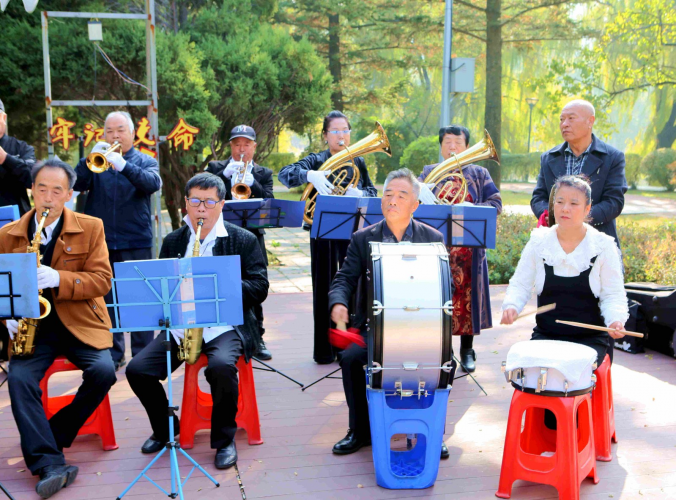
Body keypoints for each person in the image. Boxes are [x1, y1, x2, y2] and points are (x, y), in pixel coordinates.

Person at [125, 172, 269, 470]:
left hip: (225, 325)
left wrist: (220, 283)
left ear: (221, 204)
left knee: (220, 367)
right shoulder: (174, 240)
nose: (201, 208)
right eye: (195, 201)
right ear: (186, 205)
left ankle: (224, 440)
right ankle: (166, 428)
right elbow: (160, 288)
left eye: (208, 202)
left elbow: (260, 286)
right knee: (137, 369)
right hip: (182, 326)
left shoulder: (243, 239)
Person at [2, 159, 116, 499]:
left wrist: (59, 279)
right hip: (32, 328)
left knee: (104, 371)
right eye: (41, 189)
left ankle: (53, 435)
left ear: (68, 194)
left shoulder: (91, 226)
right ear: (31, 191)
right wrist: (5, 313)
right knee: (19, 379)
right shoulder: (8, 235)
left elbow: (102, 280)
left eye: (56, 191)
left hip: (80, 322)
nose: (48, 198)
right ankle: (49, 463)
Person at [327, 168, 451, 459]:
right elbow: (344, 278)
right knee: (351, 358)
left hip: (420, 328)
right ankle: (359, 430)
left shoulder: (431, 238)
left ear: (415, 205)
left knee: (443, 360)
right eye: (388, 194)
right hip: (376, 327)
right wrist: (338, 303)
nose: (392, 200)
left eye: (401, 196)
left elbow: (447, 285)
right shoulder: (363, 238)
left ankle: (433, 430)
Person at [279, 110, 378, 364]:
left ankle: (351, 348)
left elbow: (372, 191)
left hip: (352, 234)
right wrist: (309, 175)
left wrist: (359, 194)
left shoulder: (357, 162)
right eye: (335, 131)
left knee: (354, 287)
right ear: (325, 136)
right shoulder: (316, 160)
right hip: (321, 233)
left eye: (345, 130)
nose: (341, 136)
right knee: (323, 288)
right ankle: (324, 350)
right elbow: (284, 175)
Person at [501, 175, 628, 366]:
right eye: (559, 202)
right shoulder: (539, 241)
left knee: (571, 374)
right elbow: (520, 283)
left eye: (573, 203)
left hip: (589, 340)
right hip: (547, 336)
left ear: (587, 209)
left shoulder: (602, 246)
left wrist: (615, 320)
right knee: (528, 373)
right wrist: (511, 305)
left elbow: (612, 294)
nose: (565, 208)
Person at [73, 111, 162, 370]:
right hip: (99, 243)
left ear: (132, 133)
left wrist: (122, 165)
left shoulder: (145, 161)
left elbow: (152, 183)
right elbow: (75, 183)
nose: (115, 135)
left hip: (136, 241)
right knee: (104, 301)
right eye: (109, 130)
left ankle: (143, 355)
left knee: (140, 300)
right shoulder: (96, 163)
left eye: (120, 130)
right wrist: (88, 158)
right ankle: (112, 353)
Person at [418, 125, 502, 373]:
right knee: (439, 300)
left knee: (468, 302)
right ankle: (445, 351)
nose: (452, 146)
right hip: (437, 247)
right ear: (441, 146)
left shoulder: (479, 173)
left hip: (469, 249)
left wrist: (471, 206)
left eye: (458, 142)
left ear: (467, 146)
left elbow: (496, 203)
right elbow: (411, 201)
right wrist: (420, 192)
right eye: (447, 142)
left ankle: (467, 350)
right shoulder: (428, 172)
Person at [206, 125, 274, 360]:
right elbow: (205, 191)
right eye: (237, 144)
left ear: (254, 146)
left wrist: (252, 182)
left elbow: (270, 202)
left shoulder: (263, 173)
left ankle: (258, 338)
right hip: (222, 238)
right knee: (220, 285)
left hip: (252, 239)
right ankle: (220, 336)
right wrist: (224, 177)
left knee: (254, 287)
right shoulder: (216, 168)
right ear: (230, 146)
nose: (241, 149)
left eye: (246, 144)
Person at [531, 99, 627, 246]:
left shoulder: (612, 157)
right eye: (562, 119)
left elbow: (614, 202)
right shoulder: (549, 157)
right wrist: (554, 217)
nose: (564, 124)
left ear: (590, 121)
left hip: (597, 242)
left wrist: (577, 219)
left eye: (571, 118)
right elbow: (538, 198)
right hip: (555, 242)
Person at [0, 97, 36, 214]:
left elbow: (33, 179)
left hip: (14, 222)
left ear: (3, 118)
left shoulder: (21, 148)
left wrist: (6, 159)